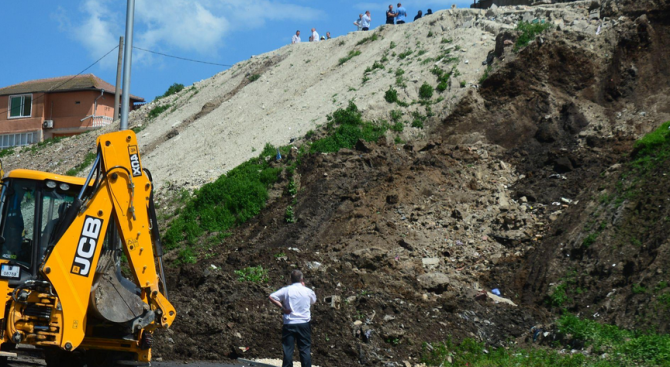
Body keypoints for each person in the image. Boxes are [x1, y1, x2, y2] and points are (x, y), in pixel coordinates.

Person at [269, 270, 317, 367]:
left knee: (288, 350)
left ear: (291, 279)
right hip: (304, 323)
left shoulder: (286, 290)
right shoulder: (307, 291)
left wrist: (283, 308)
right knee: (304, 349)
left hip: (289, 323)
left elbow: (272, 296)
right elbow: (313, 301)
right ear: (302, 279)